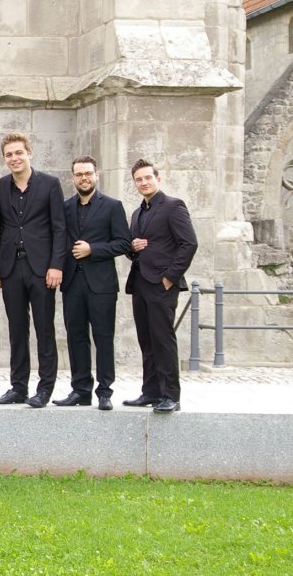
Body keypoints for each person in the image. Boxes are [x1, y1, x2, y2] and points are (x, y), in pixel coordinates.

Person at [0, 132, 66, 409]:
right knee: (17, 330)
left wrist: (56, 265)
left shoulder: (50, 184)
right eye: (9, 154)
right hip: (11, 267)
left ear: (29, 153)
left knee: (44, 329)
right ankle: (18, 387)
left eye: (18, 152)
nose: (14, 158)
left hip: (42, 268)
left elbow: (59, 228)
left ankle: (45, 389)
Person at [54, 156, 131, 411]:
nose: (84, 178)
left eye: (88, 173)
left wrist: (93, 249)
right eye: (79, 174)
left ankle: (105, 391)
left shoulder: (112, 206)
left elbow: (124, 243)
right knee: (76, 337)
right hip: (72, 282)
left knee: (103, 337)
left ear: (96, 175)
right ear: (73, 178)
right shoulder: (65, 207)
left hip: (102, 285)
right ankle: (80, 390)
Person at [124, 159, 198, 414]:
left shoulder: (173, 206)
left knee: (163, 339)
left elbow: (189, 244)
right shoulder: (137, 213)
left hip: (162, 285)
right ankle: (151, 392)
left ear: (158, 179)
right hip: (140, 283)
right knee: (146, 340)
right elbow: (133, 249)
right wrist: (132, 247)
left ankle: (171, 395)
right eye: (139, 179)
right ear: (135, 183)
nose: (144, 182)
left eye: (148, 178)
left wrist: (170, 277)